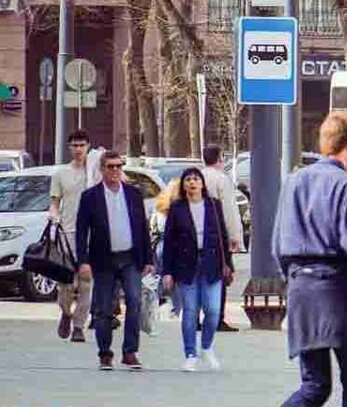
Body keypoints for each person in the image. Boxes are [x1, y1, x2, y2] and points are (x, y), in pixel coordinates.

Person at [248, 112, 347, 407]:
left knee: (315, 383)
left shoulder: (294, 182)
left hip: (300, 289)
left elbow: (274, 243)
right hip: (337, 288)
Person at [75, 150, 154, 371]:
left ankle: (130, 352)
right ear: (102, 170)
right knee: (103, 309)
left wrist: (148, 258)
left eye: (119, 166)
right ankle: (105, 353)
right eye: (110, 167)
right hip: (103, 260)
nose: (115, 170)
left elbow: (142, 228)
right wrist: (82, 261)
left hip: (130, 258)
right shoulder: (90, 197)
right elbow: (81, 232)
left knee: (134, 302)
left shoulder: (133, 194)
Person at [160, 168, 234, 372]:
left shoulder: (213, 205)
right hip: (186, 265)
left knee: (212, 311)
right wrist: (167, 271)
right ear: (183, 185)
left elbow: (223, 237)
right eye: (188, 180)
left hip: (212, 263)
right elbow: (169, 242)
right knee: (190, 312)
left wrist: (229, 264)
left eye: (196, 179)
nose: (192, 183)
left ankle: (207, 347)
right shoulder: (177, 208)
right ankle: (190, 354)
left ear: (202, 183)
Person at [49, 129, 98, 343]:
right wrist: (54, 218)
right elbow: (54, 203)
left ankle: (79, 326)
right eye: (75, 145)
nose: (78, 149)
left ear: (88, 146)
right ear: (69, 148)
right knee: (66, 284)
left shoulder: (95, 172)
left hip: (90, 235)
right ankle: (66, 313)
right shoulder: (60, 174)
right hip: (67, 234)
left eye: (82, 145)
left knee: (86, 283)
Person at [201, 145, 244, 333]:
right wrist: (235, 237)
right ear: (219, 158)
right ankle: (217, 318)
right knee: (221, 275)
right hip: (218, 236)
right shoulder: (221, 179)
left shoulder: (197, 176)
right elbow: (229, 211)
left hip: (197, 236)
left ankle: (196, 317)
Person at [152, 179, 182, 317]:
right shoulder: (178, 209)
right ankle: (178, 309)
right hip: (173, 245)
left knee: (158, 278)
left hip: (159, 245)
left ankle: (152, 306)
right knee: (176, 281)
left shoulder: (159, 207)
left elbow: (153, 227)